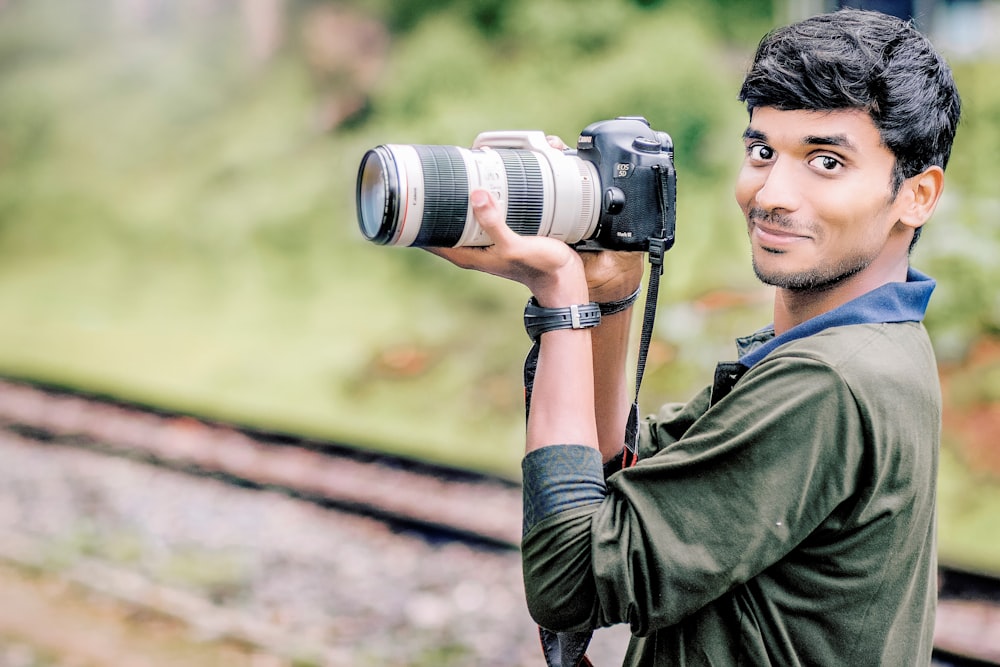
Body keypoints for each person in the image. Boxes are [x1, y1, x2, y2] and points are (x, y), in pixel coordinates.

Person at [430, 8, 961, 666]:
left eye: (826, 161)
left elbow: (569, 580)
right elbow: (620, 479)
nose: (771, 193)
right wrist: (610, 290)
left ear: (917, 195)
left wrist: (561, 301)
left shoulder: (828, 382)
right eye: (762, 151)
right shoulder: (868, 346)